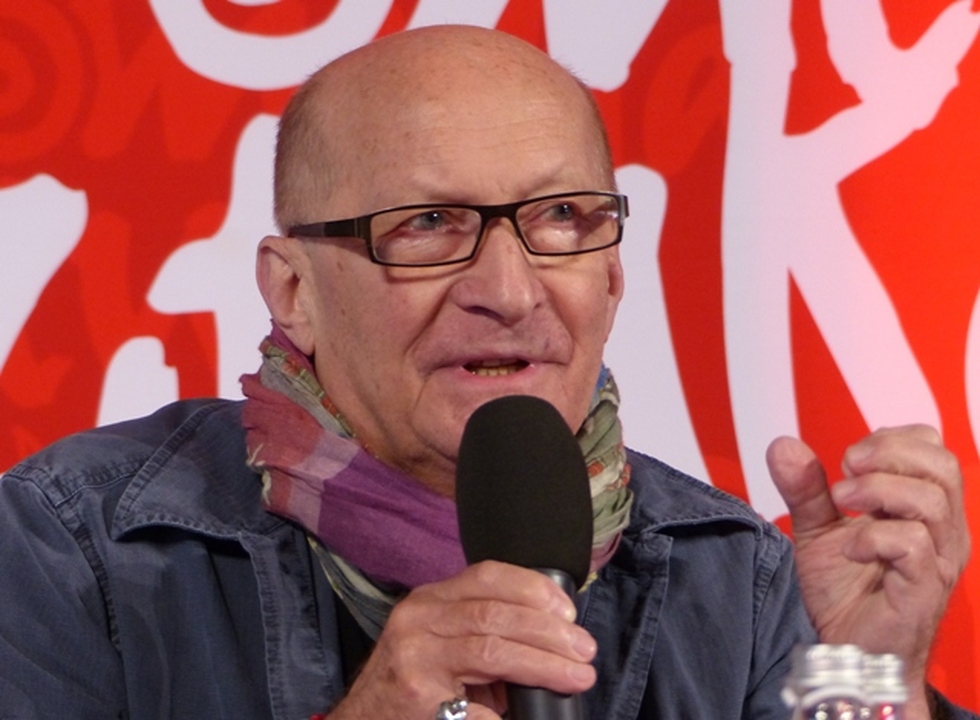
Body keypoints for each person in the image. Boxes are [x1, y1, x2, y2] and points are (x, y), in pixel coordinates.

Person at [0, 24, 972, 720]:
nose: (508, 291)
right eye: (428, 224)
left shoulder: (742, 584)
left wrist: (866, 679)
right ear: (292, 290)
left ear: (611, 275)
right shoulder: (68, 549)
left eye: (561, 219)